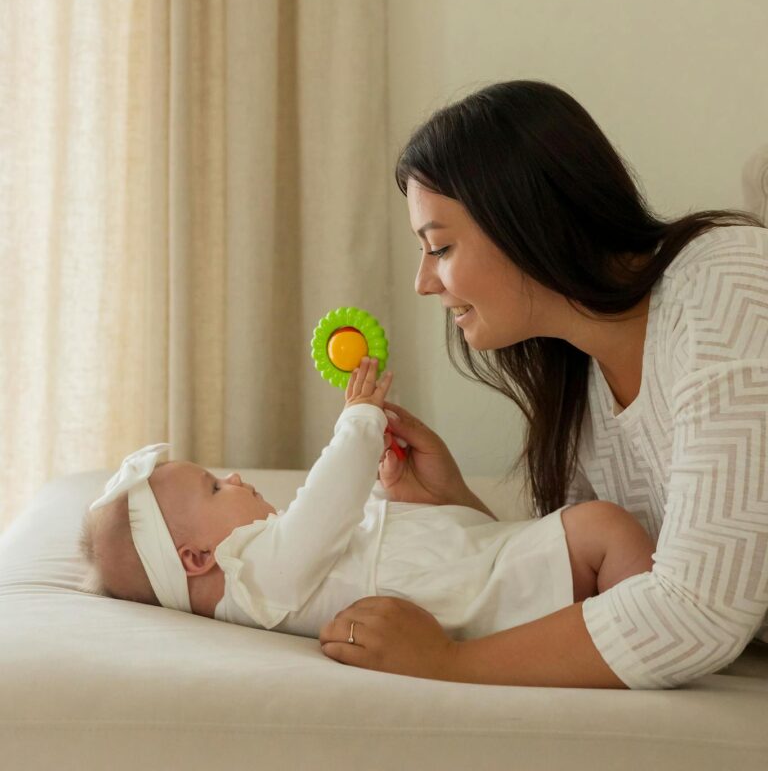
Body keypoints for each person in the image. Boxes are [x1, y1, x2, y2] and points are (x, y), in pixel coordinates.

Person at [319, 80, 768, 690]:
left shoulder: (728, 284)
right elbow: (604, 592)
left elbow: (697, 614)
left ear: (528, 221)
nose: (424, 282)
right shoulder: (580, 377)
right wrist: (458, 507)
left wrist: (447, 663)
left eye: (440, 247)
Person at [81, 356, 655, 640]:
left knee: (595, 531)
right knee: (603, 527)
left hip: (485, 565)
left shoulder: (269, 571)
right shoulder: (253, 581)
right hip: (492, 595)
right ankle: (657, 635)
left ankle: (646, 624)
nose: (232, 478)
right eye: (213, 487)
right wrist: (357, 423)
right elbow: (324, 509)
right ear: (197, 558)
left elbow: (356, 539)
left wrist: (388, 488)